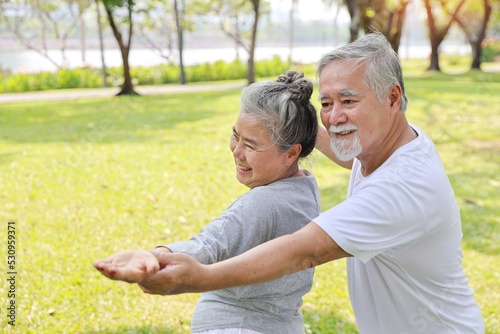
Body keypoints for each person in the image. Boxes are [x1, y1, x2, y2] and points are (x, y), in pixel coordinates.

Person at [135, 32, 485, 333]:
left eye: (348, 101)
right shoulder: (394, 144)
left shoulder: (403, 188)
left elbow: (306, 250)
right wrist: (287, 123)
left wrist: (199, 278)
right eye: (327, 103)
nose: (334, 116)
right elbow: (346, 148)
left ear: (392, 98)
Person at [94, 71, 321, 334]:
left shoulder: (264, 203)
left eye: (251, 145)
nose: (236, 152)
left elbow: (210, 243)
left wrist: (156, 257)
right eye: (236, 136)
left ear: (291, 153)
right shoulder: (305, 186)